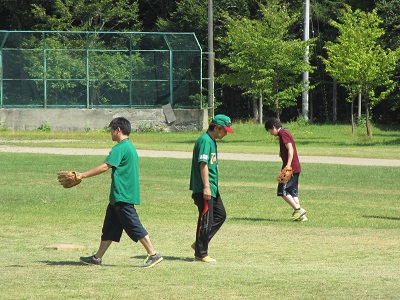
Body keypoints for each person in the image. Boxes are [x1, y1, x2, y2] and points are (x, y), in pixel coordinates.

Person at [79, 117, 163, 267]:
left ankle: (154, 254)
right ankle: (97, 258)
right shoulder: (130, 146)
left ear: (118, 130)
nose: (110, 133)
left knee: (133, 225)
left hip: (122, 195)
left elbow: (106, 166)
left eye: (111, 130)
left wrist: (82, 175)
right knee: (110, 228)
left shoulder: (120, 148)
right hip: (119, 196)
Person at [189, 114, 234, 262]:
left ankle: (200, 243)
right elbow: (203, 164)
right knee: (206, 220)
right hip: (204, 189)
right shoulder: (205, 141)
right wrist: (206, 187)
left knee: (220, 215)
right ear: (216, 128)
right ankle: (200, 254)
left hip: (213, 187)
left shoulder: (212, 141)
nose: (226, 133)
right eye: (224, 130)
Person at [264, 117, 308, 222]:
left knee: (282, 191)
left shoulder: (283, 133)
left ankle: (298, 210)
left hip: (290, 168)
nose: (270, 133)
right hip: (295, 167)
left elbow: (290, 149)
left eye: (269, 130)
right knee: (292, 192)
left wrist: (288, 166)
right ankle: (302, 216)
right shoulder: (283, 134)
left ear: (273, 127)